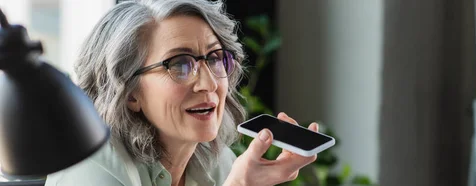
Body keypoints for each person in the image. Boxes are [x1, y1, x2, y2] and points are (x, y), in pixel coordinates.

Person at [44, 0, 318, 185]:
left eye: (213, 58)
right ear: (129, 93)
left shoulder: (216, 160)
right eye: (179, 64)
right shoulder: (89, 167)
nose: (209, 83)